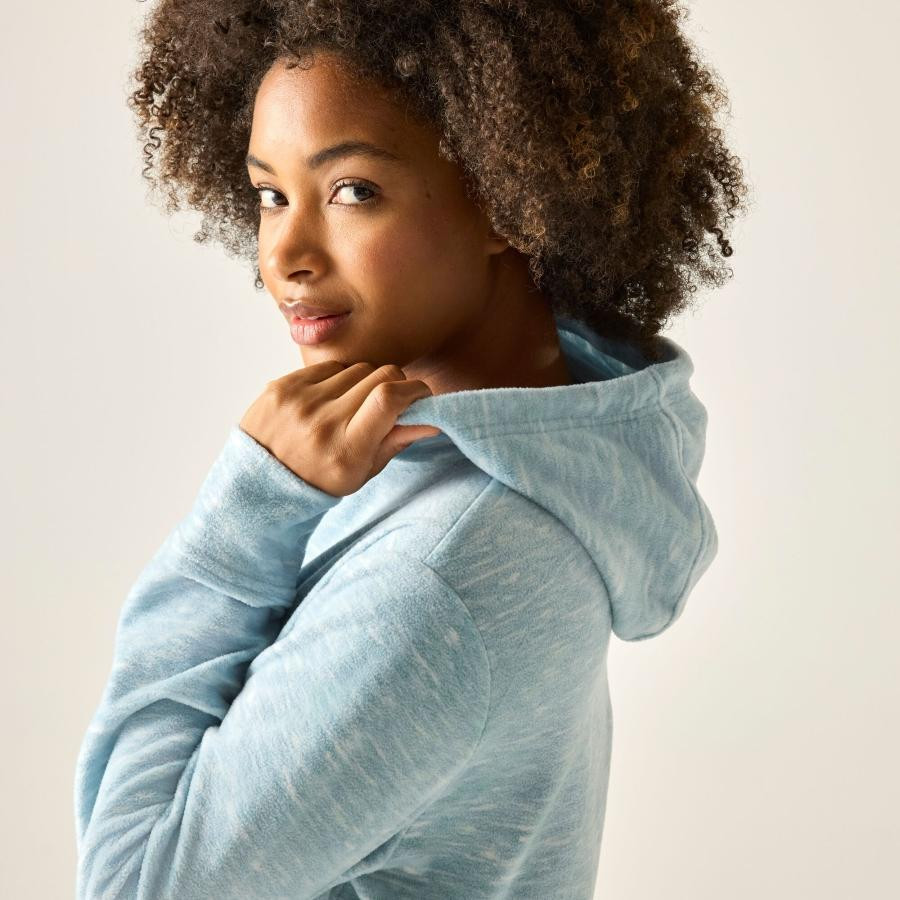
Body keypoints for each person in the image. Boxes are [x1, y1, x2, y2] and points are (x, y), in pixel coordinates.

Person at [74, 2, 749, 898]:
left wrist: (242, 525)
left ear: (506, 193)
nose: (285, 254)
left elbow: (133, 886)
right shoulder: (515, 468)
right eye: (270, 195)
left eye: (352, 190)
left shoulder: (435, 584)